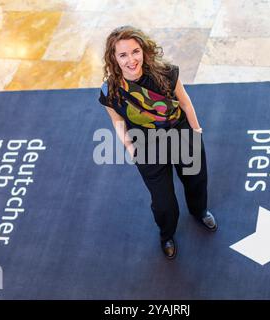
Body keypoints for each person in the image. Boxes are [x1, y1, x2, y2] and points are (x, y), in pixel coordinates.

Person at [98, 25, 217, 260]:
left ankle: (199, 211)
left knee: (196, 180)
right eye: (123, 55)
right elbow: (117, 122)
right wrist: (131, 148)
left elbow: (185, 102)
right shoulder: (110, 91)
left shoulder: (166, 73)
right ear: (113, 58)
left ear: (143, 50)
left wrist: (195, 130)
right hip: (147, 146)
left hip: (181, 134)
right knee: (163, 203)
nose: (131, 60)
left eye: (135, 51)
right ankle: (166, 235)